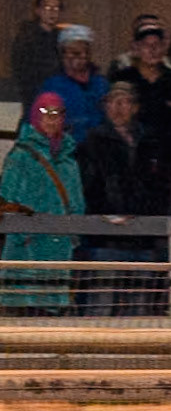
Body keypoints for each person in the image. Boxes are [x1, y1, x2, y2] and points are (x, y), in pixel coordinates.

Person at [75, 82, 169, 311]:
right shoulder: (92, 142)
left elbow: (162, 187)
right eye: (112, 101)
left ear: (135, 107)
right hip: (106, 237)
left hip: (144, 235)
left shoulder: (151, 142)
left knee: (140, 309)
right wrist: (103, 216)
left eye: (124, 101)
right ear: (105, 106)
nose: (118, 107)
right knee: (101, 305)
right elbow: (86, 187)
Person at [1, 92, 84, 313]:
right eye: (46, 113)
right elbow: (6, 199)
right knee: (24, 313)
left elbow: (77, 203)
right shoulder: (20, 156)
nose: (52, 120)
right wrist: (24, 234)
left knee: (51, 316)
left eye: (57, 114)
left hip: (59, 252)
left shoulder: (69, 161)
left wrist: (73, 235)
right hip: (26, 252)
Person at [111, 17, 171, 191]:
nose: (152, 50)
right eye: (146, 45)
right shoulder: (123, 79)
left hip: (170, 164)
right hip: (132, 162)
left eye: (157, 44)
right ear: (136, 47)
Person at [42, 25, 108, 141]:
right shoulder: (52, 87)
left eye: (86, 51)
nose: (82, 56)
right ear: (62, 54)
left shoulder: (101, 84)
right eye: (75, 52)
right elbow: (45, 122)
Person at [10, 0, 64, 102]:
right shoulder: (27, 38)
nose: (52, 12)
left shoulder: (61, 38)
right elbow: (22, 70)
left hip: (57, 94)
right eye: (48, 8)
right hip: (35, 95)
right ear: (38, 10)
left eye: (56, 8)